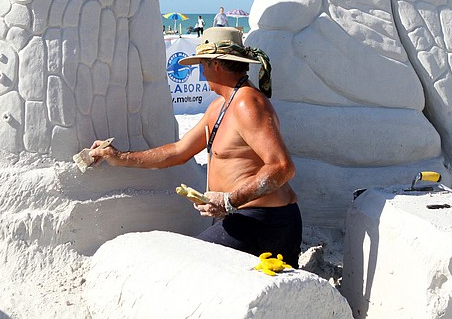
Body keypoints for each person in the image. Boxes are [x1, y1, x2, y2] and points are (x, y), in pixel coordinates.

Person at [89, 27, 301, 265]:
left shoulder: (247, 103)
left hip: (265, 221)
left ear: (216, 65)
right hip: (245, 218)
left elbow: (282, 167)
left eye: (202, 63)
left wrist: (229, 201)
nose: (201, 70)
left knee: (192, 264)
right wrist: (119, 157)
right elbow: (179, 152)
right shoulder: (220, 105)